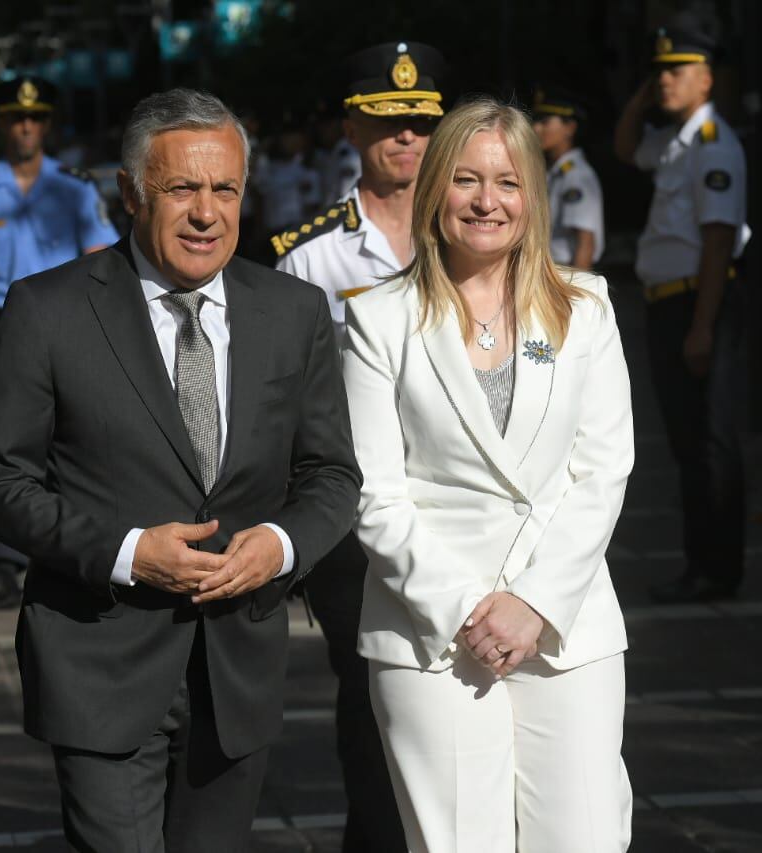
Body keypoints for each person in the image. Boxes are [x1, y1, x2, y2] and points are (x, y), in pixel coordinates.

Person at [0, 88, 362, 852]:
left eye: (225, 189)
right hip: (99, 661)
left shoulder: (293, 311)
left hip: (236, 671)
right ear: (130, 192)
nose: (206, 212)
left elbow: (332, 474)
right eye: (182, 188)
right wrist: (125, 552)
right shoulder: (46, 311)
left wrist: (279, 543)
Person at [344, 96, 635, 852]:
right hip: (431, 633)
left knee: (586, 837)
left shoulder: (587, 308)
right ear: (436, 187)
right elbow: (374, 493)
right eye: (467, 179)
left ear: (531, 195)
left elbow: (604, 469)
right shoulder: (377, 320)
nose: (486, 201)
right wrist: (471, 607)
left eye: (507, 182)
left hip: (565, 626)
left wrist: (534, 602)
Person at [274, 39, 445, 853]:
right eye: (386, 123)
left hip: (457, 503)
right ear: (352, 129)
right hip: (354, 515)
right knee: (370, 689)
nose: (405, 140)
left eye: (419, 122)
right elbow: (288, 398)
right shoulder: (308, 255)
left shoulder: (476, 228)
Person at [0, 76, 119, 606]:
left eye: (34, 118)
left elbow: (100, 259)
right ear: (2, 124)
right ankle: (7, 566)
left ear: (48, 124)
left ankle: (70, 552)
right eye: (15, 117)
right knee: (2, 447)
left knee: (73, 441)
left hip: (66, 328)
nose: (25, 126)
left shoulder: (75, 188)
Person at [614, 27, 751, 603]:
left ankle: (716, 569)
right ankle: (702, 563)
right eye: (659, 71)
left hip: (701, 302)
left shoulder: (714, 143)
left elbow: (718, 239)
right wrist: (643, 99)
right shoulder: (676, 142)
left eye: (676, 70)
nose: (664, 79)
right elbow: (625, 148)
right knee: (687, 444)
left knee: (711, 444)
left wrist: (702, 326)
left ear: (707, 78)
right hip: (669, 303)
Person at [532, 87, 605, 269]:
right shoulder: (553, 172)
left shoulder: (576, 175)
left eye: (545, 122)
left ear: (569, 128)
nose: (536, 128)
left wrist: (574, 293)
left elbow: (585, 243)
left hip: (566, 271)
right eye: (536, 121)